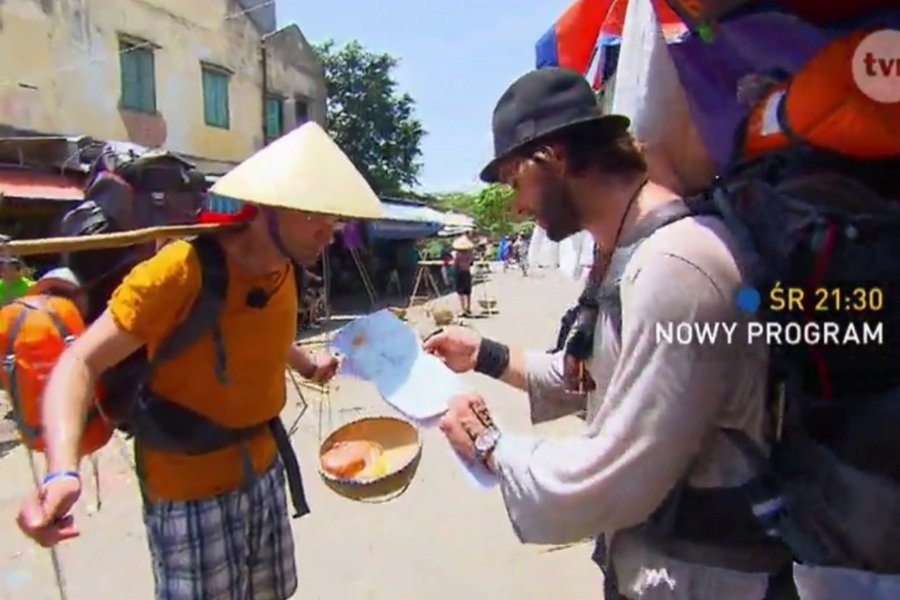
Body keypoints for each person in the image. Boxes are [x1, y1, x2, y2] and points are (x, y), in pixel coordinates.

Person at [426, 68, 792, 599]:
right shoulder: (627, 251)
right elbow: (594, 374)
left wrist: (489, 447)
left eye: (514, 182)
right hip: (656, 563)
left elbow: (621, 470)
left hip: (707, 577)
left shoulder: (675, 265)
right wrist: (482, 353)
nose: (517, 207)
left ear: (552, 158)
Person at [15, 122, 386, 600]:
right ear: (266, 208)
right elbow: (79, 363)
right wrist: (62, 471)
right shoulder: (179, 272)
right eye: (314, 214)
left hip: (264, 470)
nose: (329, 232)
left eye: (333, 217)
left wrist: (305, 363)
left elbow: (256, 333)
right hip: (188, 490)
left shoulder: (287, 268)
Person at [451, 234, 475, 316]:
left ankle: (463, 309)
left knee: (460, 292)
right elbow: (471, 263)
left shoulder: (458, 254)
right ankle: (468, 308)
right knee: (468, 292)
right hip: (467, 272)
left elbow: (455, 264)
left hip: (460, 272)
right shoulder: (470, 254)